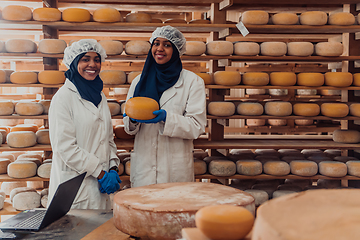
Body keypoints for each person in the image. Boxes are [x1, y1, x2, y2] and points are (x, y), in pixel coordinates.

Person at [123, 25, 207, 188]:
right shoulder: (138, 82)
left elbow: (197, 126)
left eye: (167, 45)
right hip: (144, 168)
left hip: (174, 169)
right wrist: (132, 120)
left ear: (176, 50)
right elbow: (128, 128)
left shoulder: (192, 82)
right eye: (156, 44)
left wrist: (166, 119)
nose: (160, 48)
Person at [48, 39, 121, 209]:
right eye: (85, 59)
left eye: (96, 59)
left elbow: (107, 139)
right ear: (74, 62)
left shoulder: (99, 96)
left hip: (100, 188)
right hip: (75, 190)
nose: (92, 64)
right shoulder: (63, 98)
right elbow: (65, 148)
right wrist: (100, 173)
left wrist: (112, 167)